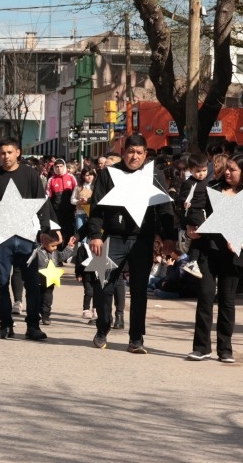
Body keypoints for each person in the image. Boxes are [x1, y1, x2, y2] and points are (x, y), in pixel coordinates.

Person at [86, 134, 177, 353]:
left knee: (138, 291)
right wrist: (95, 234)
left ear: (145, 155)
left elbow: (165, 208)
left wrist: (169, 237)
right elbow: (96, 207)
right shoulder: (108, 174)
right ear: (123, 152)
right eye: (130, 151)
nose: (134, 156)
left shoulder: (154, 175)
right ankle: (102, 327)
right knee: (103, 285)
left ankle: (136, 338)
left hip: (142, 240)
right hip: (113, 239)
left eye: (139, 152)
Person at [185, 152, 243, 363]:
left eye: (233, 169)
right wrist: (194, 227)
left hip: (233, 256)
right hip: (208, 251)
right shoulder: (212, 188)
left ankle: (225, 349)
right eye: (227, 168)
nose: (228, 173)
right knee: (205, 297)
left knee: (227, 300)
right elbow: (194, 210)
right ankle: (201, 347)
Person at [0, 138, 59, 341]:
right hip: (1, 238)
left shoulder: (30, 174)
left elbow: (42, 204)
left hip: (27, 237)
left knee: (32, 283)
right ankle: (5, 325)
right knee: (1, 282)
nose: (6, 156)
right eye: (2, 153)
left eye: (10, 152)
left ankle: (33, 326)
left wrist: (46, 230)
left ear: (18, 152)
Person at [175, 153, 210, 278]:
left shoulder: (206, 182)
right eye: (198, 171)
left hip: (202, 212)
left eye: (204, 170)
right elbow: (181, 198)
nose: (201, 174)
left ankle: (193, 261)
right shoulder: (188, 183)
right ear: (191, 170)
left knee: (199, 236)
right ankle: (192, 260)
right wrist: (184, 203)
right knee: (204, 231)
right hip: (193, 212)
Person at [36, 233, 75, 325]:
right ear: (44, 243)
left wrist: (69, 247)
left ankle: (46, 315)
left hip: (50, 282)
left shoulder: (55, 253)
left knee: (47, 299)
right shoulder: (38, 252)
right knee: (37, 298)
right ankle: (36, 314)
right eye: (53, 246)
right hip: (38, 281)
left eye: (56, 245)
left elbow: (63, 256)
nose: (55, 248)